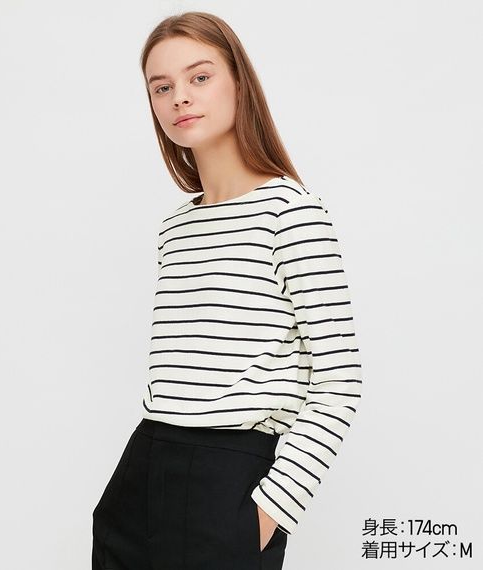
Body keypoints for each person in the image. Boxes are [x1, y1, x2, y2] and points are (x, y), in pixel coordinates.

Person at [92, 11, 363, 570]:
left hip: (228, 480)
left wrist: (269, 512)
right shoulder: (176, 227)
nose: (179, 98)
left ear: (239, 82)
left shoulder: (292, 213)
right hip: (143, 466)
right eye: (161, 87)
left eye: (199, 77)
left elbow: (340, 382)